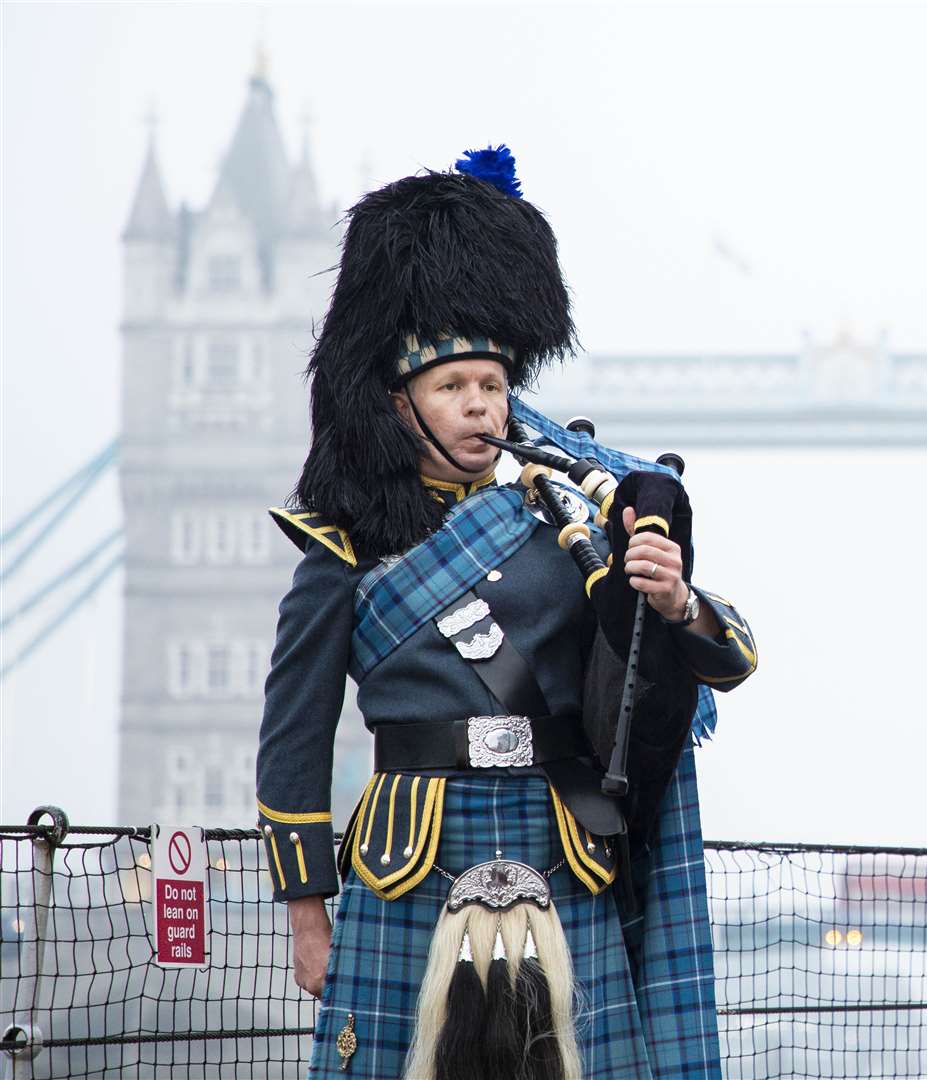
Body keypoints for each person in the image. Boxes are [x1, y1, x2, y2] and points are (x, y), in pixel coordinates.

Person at [254, 146, 757, 1080]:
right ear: (400, 404)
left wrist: (674, 600)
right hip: (411, 847)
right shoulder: (340, 542)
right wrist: (306, 913)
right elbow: (295, 736)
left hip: (557, 832)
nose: (478, 406)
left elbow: (723, 660)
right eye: (452, 388)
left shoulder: (573, 514)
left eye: (490, 385)